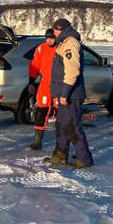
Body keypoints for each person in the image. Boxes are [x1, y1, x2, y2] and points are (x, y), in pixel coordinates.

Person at [44, 18, 93, 168]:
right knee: (62, 125)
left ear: (60, 29)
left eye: (55, 30)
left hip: (71, 95)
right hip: (64, 94)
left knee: (72, 127)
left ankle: (84, 159)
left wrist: (64, 94)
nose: (54, 33)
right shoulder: (63, 43)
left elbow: (72, 71)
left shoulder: (70, 43)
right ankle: (60, 154)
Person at [26, 28, 57, 150]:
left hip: (59, 84)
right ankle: (37, 142)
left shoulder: (60, 48)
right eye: (47, 38)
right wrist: (31, 82)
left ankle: (61, 144)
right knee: (41, 112)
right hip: (45, 84)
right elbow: (34, 66)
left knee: (61, 114)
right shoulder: (41, 48)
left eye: (51, 38)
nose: (49, 41)